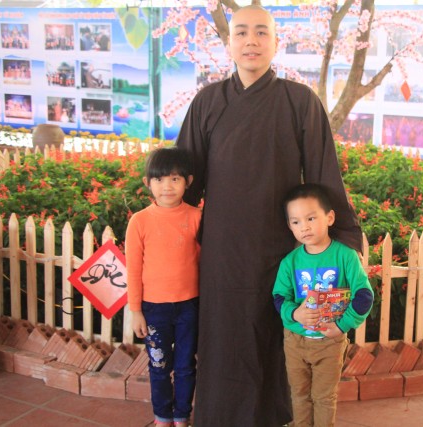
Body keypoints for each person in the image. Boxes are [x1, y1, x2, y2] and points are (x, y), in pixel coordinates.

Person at [175, 5, 362, 426]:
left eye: (262, 32)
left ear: (277, 42)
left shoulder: (300, 102)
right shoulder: (208, 102)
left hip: (282, 249)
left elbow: (323, 177)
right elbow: (185, 182)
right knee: (225, 339)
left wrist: (342, 243)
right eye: (241, 32)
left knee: (279, 338)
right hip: (223, 251)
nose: (251, 41)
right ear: (229, 43)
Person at [272, 183, 373, 427]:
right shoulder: (290, 262)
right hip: (295, 341)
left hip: (329, 342)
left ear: (329, 217)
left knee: (324, 398)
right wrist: (295, 314)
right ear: (289, 226)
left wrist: (342, 326)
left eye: (310, 218)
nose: (304, 227)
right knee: (299, 395)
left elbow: (364, 295)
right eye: (296, 222)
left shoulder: (345, 256)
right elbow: (279, 297)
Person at [126, 147, 202, 427]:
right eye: (159, 179)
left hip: (189, 307)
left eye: (174, 179)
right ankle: (162, 417)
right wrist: (136, 311)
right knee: (159, 366)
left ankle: (181, 416)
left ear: (188, 182)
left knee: (185, 366)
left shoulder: (197, 217)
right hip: (153, 309)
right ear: (147, 182)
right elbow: (133, 269)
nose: (167, 186)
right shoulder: (139, 221)